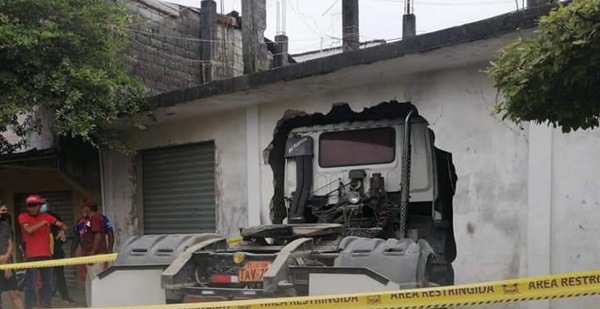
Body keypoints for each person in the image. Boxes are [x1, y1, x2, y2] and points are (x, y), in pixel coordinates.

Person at [17, 194, 68, 309]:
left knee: (48, 285)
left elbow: (63, 225)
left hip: (46, 255)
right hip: (32, 256)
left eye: (35, 205)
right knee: (31, 285)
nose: (32, 208)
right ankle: (29, 307)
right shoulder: (23, 216)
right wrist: (43, 223)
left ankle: (47, 307)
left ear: (40, 206)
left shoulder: (46, 216)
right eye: (30, 206)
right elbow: (28, 230)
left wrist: (62, 230)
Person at [71, 199, 108, 307]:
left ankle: (98, 305)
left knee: (96, 282)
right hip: (89, 256)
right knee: (89, 282)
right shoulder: (89, 219)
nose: (83, 209)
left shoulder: (95, 218)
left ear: (88, 208)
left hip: (95, 256)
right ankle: (90, 304)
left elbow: (98, 236)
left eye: (84, 207)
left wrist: (92, 254)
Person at [40, 199, 75, 305]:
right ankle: (40, 299)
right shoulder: (35, 219)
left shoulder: (54, 217)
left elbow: (63, 230)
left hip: (56, 251)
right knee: (41, 276)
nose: (44, 206)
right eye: (41, 204)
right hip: (41, 252)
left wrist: (62, 235)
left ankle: (65, 296)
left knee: (60, 275)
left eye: (45, 204)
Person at [0, 201, 24, 309]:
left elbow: (10, 244)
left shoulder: (5, 226)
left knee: (15, 294)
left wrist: (6, 263)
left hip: (7, 264)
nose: (3, 213)